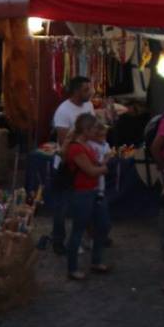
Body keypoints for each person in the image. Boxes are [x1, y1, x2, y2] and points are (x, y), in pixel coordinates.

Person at [45, 75, 98, 256]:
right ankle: (58, 240)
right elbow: (64, 141)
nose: (89, 92)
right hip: (67, 164)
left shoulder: (89, 106)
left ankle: (88, 236)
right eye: (85, 90)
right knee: (62, 206)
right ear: (76, 91)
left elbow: (94, 129)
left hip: (85, 160)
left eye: (89, 88)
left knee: (85, 203)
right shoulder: (63, 111)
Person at [61, 113, 111, 279]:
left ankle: (96, 261)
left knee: (103, 225)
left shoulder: (85, 145)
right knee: (78, 229)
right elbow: (90, 170)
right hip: (82, 192)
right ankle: (72, 268)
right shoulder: (76, 148)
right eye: (94, 128)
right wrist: (103, 168)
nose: (96, 131)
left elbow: (93, 165)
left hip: (93, 190)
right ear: (86, 129)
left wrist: (101, 165)